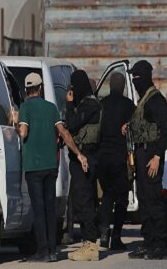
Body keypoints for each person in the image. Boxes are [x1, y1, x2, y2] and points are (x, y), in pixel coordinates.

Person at [14, 72, 88, 263]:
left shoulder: (24, 108)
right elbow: (63, 132)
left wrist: (15, 122)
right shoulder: (51, 107)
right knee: (49, 208)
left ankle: (43, 251)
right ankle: (53, 251)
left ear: (26, 90)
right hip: (51, 165)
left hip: (33, 166)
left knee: (38, 209)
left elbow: (23, 133)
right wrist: (79, 154)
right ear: (40, 88)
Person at [123, 60, 167, 260]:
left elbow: (166, 132)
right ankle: (148, 242)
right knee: (144, 200)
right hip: (141, 155)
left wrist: (157, 157)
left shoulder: (156, 99)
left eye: (137, 77)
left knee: (153, 201)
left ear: (144, 77)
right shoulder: (143, 100)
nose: (135, 81)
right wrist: (128, 127)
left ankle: (159, 245)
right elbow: (143, 124)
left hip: (151, 155)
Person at [65, 70, 102, 261]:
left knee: (84, 201)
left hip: (86, 158)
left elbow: (71, 124)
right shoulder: (87, 104)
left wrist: (69, 104)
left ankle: (91, 245)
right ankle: (88, 243)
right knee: (83, 200)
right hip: (84, 157)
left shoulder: (90, 105)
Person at [97, 72, 135, 250]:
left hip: (101, 157)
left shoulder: (101, 104)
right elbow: (135, 127)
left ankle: (104, 231)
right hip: (119, 158)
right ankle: (117, 237)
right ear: (123, 87)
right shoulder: (128, 105)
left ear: (110, 86)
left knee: (107, 195)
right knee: (121, 198)